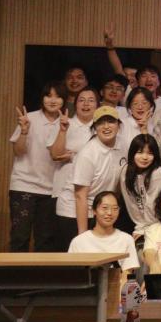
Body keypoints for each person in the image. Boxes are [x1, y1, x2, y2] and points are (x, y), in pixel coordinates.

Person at [9, 83, 64, 251]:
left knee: (45, 240)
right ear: (42, 98)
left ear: (64, 100)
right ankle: (15, 269)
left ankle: (41, 270)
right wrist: (24, 131)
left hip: (51, 189)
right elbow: (18, 151)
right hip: (24, 185)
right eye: (48, 96)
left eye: (58, 96)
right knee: (20, 237)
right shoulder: (30, 118)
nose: (52, 100)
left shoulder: (66, 123)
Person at [51, 88, 100, 249]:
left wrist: (74, 155)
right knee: (67, 246)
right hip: (67, 193)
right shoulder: (66, 123)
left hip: (94, 194)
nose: (86, 104)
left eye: (91, 100)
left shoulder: (102, 127)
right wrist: (63, 130)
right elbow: (55, 154)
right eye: (81, 100)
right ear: (75, 104)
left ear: (97, 105)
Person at [72, 106, 131, 236]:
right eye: (101, 123)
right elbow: (80, 196)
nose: (106, 126)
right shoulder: (87, 153)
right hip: (83, 213)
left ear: (118, 125)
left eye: (111, 121)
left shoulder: (123, 145)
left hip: (105, 211)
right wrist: (83, 234)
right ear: (95, 127)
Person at [68, 191, 140, 273]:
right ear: (94, 210)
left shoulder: (126, 239)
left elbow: (127, 274)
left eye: (115, 209)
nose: (109, 213)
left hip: (117, 281)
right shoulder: (79, 241)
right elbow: (71, 273)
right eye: (105, 208)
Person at [120, 134, 161, 241]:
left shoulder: (157, 172)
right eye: (140, 152)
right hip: (137, 223)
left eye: (150, 153)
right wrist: (140, 227)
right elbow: (131, 204)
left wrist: (145, 230)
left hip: (157, 222)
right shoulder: (125, 171)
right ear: (132, 153)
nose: (145, 157)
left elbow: (152, 205)